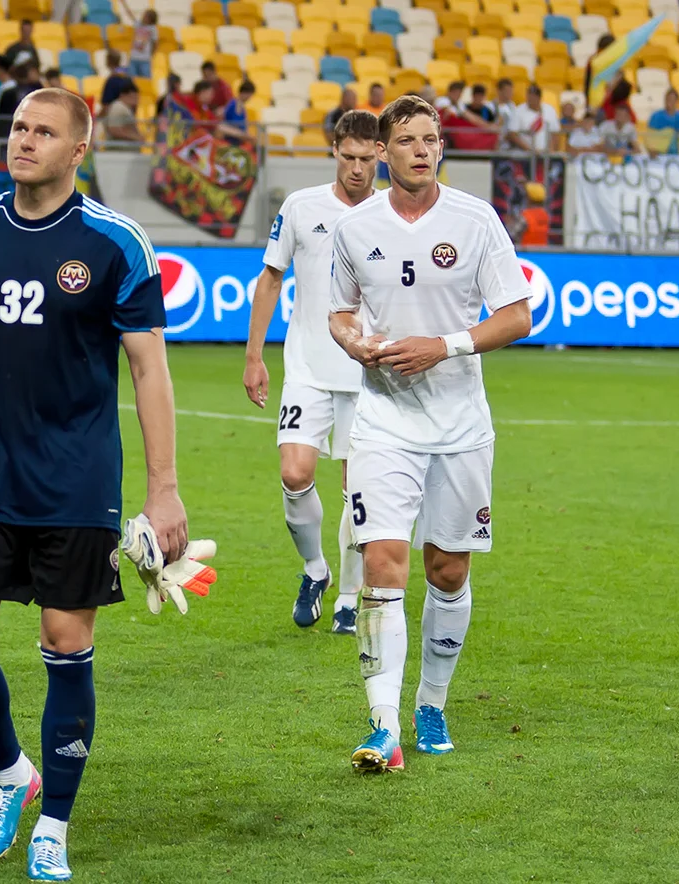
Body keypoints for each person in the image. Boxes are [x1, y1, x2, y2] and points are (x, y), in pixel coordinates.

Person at [0, 86, 201, 882]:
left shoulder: (115, 243)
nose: (23, 141)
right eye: (19, 127)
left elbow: (149, 369)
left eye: (43, 131)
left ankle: (54, 821)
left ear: (78, 148)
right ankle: (11, 777)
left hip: (75, 483)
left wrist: (163, 489)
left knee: (67, 643)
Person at [329, 95, 532, 772]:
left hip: (460, 426)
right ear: (384, 151)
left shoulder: (475, 221)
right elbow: (339, 313)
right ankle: (383, 724)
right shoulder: (356, 229)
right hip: (384, 421)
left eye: (432, 139)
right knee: (383, 566)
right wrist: (354, 342)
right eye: (409, 140)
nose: (423, 149)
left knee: (447, 569)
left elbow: (516, 316)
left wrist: (441, 346)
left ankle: (432, 701)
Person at [244, 110, 380, 635]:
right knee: (295, 474)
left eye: (367, 159)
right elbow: (271, 279)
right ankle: (315, 570)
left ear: (380, 157)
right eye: (348, 157)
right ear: (334, 151)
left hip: (371, 375)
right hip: (307, 366)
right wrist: (254, 356)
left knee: (357, 490)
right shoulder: (302, 207)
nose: (357, 168)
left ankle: (349, 597)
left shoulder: (394, 214)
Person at [504, 84, 559, 152]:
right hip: (525, 154)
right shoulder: (518, 110)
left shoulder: (550, 110)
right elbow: (512, 134)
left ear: (539, 97)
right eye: (529, 95)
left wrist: (551, 151)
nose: (531, 98)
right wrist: (530, 150)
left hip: (546, 154)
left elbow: (555, 133)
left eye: (534, 96)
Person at [129, 9, 158, 79]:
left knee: (146, 80)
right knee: (133, 80)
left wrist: (151, 54)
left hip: (145, 60)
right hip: (133, 58)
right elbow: (130, 14)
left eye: (146, 16)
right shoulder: (138, 24)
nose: (143, 17)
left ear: (151, 19)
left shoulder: (153, 28)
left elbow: (155, 43)